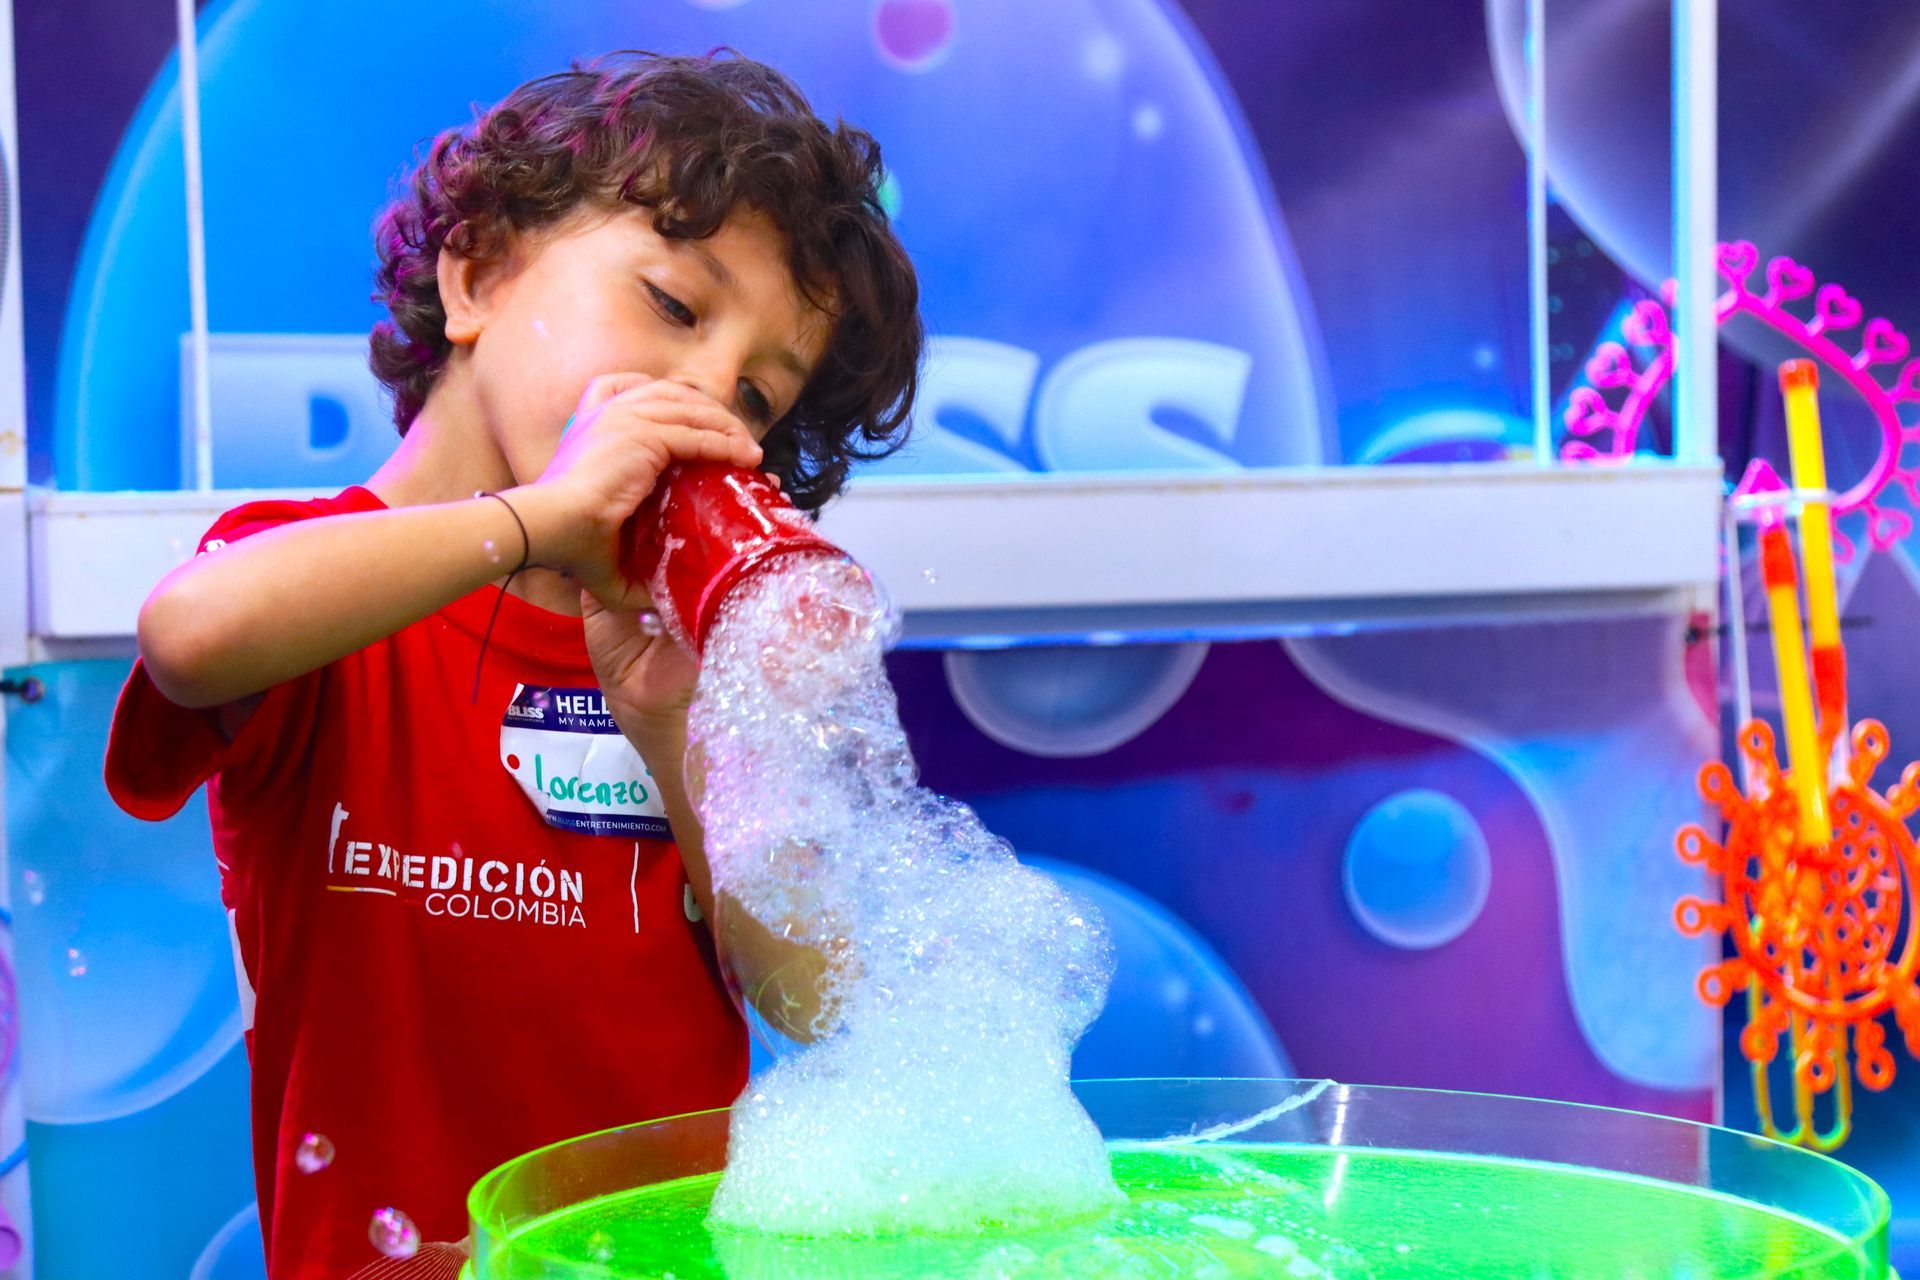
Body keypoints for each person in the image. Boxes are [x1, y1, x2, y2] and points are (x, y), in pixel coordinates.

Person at [104, 49, 922, 1277]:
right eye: (675, 305)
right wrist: (540, 519)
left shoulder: (694, 654)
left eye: (759, 395)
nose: (709, 393)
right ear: (478, 274)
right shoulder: (319, 585)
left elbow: (812, 994)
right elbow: (190, 635)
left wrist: (674, 730)